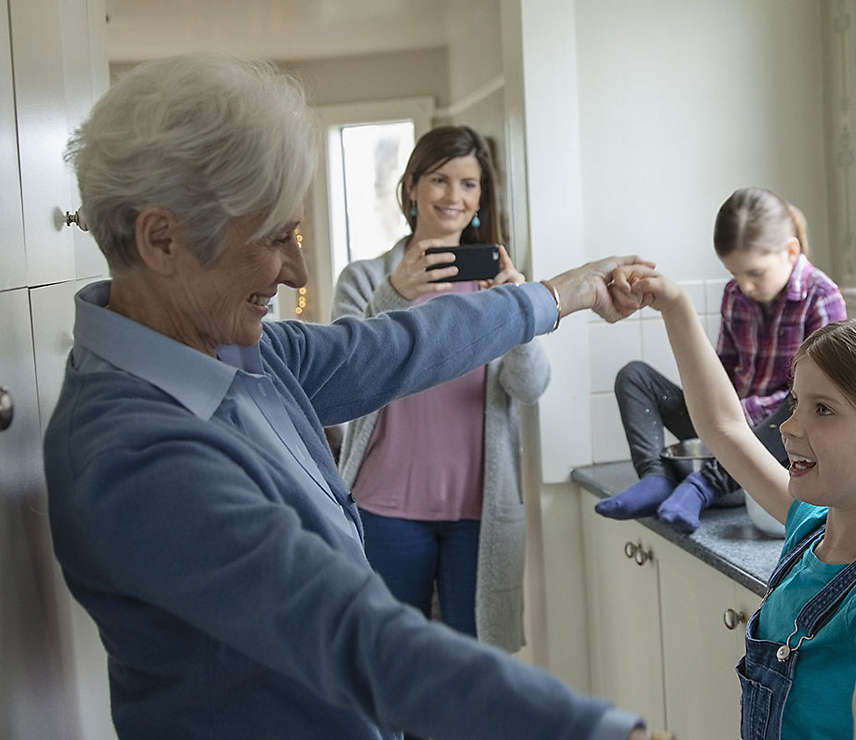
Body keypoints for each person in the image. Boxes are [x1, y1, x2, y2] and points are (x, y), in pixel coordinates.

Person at [45, 52, 656, 740]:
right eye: (278, 238)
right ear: (163, 239)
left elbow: (400, 345)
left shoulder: (243, 351)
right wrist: (592, 730)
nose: (298, 269)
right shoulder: (132, 452)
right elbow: (353, 633)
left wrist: (559, 293)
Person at [610, 265, 856, 739]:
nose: (789, 427)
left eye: (823, 410)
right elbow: (724, 427)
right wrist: (675, 306)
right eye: (796, 403)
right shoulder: (809, 528)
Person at [331, 125, 546, 656]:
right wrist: (395, 295)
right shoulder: (364, 278)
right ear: (411, 188)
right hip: (384, 508)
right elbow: (347, 378)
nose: (454, 196)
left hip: (477, 512)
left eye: (469, 184)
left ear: (481, 198)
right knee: (388, 665)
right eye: (440, 180)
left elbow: (530, 384)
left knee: (473, 674)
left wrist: (519, 309)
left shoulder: (498, 283)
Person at [595, 187, 846, 533]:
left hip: (778, 438)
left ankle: (703, 485)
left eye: (754, 273)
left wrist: (739, 416)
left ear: (791, 251)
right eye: (735, 274)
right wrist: (718, 413)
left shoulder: (822, 297)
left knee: (799, 405)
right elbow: (720, 372)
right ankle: (656, 478)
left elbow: (822, 399)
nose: (744, 285)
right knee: (634, 376)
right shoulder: (734, 295)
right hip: (728, 426)